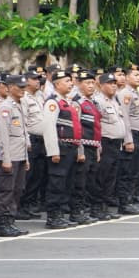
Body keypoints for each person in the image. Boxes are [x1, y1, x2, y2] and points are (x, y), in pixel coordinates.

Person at [41, 68, 80, 229]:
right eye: (66, 81)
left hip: (70, 147)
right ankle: (53, 216)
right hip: (61, 148)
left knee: (66, 182)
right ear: (57, 84)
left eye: (71, 81)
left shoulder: (67, 102)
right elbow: (49, 128)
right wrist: (53, 151)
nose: (70, 84)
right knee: (56, 182)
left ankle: (61, 214)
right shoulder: (53, 102)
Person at [0, 75, 29, 237]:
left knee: (17, 190)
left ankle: (11, 222)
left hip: (20, 156)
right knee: (6, 191)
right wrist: (6, 159)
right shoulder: (5, 107)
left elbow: (23, 133)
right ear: (10, 87)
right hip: (9, 157)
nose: (23, 90)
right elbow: (3, 136)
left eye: (24, 87)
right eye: (19, 87)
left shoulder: (19, 106)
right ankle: (3, 223)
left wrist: (26, 159)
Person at [92, 73, 130, 220]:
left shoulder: (115, 101)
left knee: (111, 177)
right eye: (109, 83)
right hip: (105, 142)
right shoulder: (98, 101)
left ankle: (105, 207)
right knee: (101, 176)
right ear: (100, 85)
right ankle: (97, 207)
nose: (113, 85)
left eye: (114, 83)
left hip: (116, 143)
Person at [116, 64, 139, 213]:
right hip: (132, 135)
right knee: (127, 171)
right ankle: (124, 203)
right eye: (135, 75)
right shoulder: (125, 94)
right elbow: (125, 118)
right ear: (127, 77)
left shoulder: (136, 94)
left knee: (135, 170)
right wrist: (128, 139)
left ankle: (129, 200)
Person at [72, 69, 101, 224]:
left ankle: (85, 209)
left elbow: (96, 127)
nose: (91, 86)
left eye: (92, 83)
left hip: (93, 146)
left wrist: (98, 148)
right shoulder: (77, 103)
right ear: (78, 84)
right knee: (80, 181)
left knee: (90, 180)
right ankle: (76, 211)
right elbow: (77, 128)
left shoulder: (92, 103)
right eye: (87, 83)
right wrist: (80, 149)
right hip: (82, 146)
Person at [20, 69, 46, 218]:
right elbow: (23, 120)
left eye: (39, 79)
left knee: (38, 175)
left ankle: (29, 204)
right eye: (34, 79)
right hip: (32, 139)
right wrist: (27, 141)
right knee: (28, 175)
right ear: (27, 80)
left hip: (42, 140)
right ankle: (20, 205)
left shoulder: (40, 96)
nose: (38, 81)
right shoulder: (24, 97)